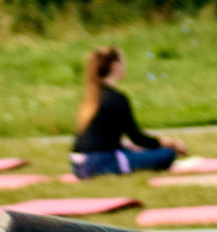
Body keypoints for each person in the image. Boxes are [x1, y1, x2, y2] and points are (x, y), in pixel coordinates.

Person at [69, 45, 187, 179]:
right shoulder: (116, 98)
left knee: (135, 151)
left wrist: (127, 145)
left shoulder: (92, 97)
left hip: (78, 165)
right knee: (167, 154)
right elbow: (137, 137)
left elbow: (99, 137)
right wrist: (170, 143)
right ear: (115, 66)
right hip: (100, 163)